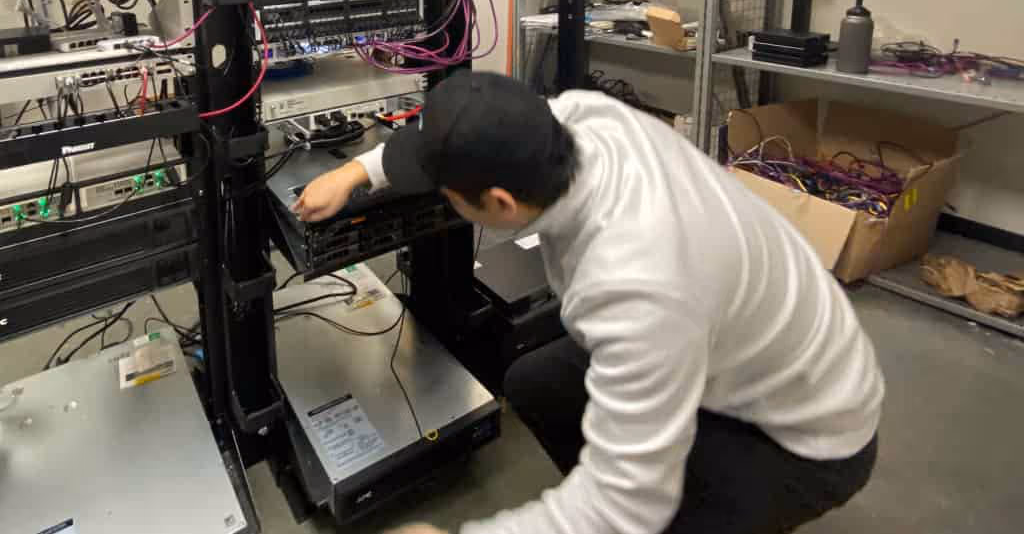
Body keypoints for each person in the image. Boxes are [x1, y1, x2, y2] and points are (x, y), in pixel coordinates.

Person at [294, 71, 883, 534]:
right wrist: (355, 173)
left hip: (804, 430)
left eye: (447, 192)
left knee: (640, 512)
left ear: (499, 206)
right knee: (533, 381)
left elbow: (625, 505)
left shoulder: (636, 286)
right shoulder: (580, 115)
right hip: (739, 337)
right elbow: (445, 140)